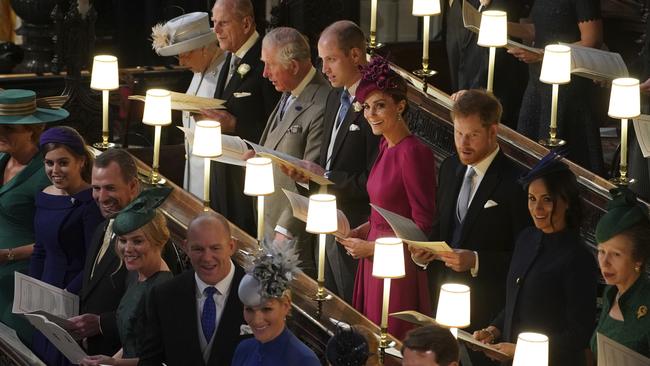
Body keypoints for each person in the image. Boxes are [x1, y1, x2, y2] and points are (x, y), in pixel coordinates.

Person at [410, 89, 530, 366]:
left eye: (472, 135)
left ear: (493, 131)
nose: (462, 143)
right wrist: (422, 254)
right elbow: (442, 228)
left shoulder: (516, 183)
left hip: (486, 313)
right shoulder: (450, 167)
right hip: (443, 302)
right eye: (457, 133)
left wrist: (476, 260)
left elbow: (523, 259)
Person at [338, 56, 436, 340]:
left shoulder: (413, 152)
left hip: (397, 270)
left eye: (380, 105)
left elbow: (421, 227)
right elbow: (383, 213)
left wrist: (372, 250)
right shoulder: (385, 145)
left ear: (400, 106)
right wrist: (363, 230)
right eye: (367, 107)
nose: (371, 114)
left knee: (389, 343)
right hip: (372, 260)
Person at [283, 20, 378, 303]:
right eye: (321, 60)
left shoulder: (376, 103)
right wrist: (309, 176)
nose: (324, 70)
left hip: (356, 228)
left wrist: (325, 175)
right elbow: (327, 159)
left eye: (331, 60)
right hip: (326, 220)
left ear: (356, 56)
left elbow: (373, 179)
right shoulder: (335, 96)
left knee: (351, 308)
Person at [472, 152, 598, 365]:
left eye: (547, 200)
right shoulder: (526, 238)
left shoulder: (579, 258)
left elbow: (578, 335)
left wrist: (521, 350)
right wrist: (493, 330)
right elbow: (515, 302)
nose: (537, 209)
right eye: (532, 199)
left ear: (566, 201)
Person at [69, 149, 182, 356]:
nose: (101, 197)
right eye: (96, 188)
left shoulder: (152, 240)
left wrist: (102, 324)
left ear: (133, 186)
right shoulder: (102, 227)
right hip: (93, 352)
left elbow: (152, 311)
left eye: (110, 188)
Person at [253, 26, 329, 277]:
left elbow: (309, 178)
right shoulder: (289, 93)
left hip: (292, 235)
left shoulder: (321, 102)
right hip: (269, 222)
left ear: (294, 67)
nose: (264, 73)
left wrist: (285, 229)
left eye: (270, 65)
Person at [203, 0, 280, 235]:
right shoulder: (230, 57)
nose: (216, 30)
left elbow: (278, 126)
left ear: (246, 23)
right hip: (223, 172)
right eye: (214, 22)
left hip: (248, 181)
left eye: (223, 23)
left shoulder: (264, 61)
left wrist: (236, 124)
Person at [29, 126, 104, 365]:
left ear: (81, 161)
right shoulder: (45, 195)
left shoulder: (90, 203)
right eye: (49, 163)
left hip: (74, 293)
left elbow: (93, 263)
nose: (54, 170)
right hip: (46, 290)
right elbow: (40, 250)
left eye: (63, 162)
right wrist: (32, 291)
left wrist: (62, 298)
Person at [0, 89, 68, 343]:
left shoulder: (47, 172)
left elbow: (55, 240)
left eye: (8, 128)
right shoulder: (3, 157)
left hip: (22, 274)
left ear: (32, 129)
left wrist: (8, 255)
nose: (0, 132)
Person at [138, 212, 248, 366]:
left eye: (215, 248)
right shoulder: (165, 295)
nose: (207, 258)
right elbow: (149, 362)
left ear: (231, 247)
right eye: (198, 249)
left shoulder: (257, 293)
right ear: (186, 248)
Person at [507, 0, 604, 174]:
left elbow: (592, 40)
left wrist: (542, 55)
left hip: (567, 86)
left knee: (559, 162)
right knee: (527, 150)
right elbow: (539, 31)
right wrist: (501, 26)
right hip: (538, 80)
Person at [80, 187, 174, 366]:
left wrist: (113, 364)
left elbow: (157, 360)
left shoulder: (163, 290)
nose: (127, 249)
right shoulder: (136, 275)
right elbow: (132, 339)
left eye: (137, 241)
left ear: (159, 241)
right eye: (122, 240)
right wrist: (108, 361)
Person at [152, 12, 225, 200]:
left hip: (216, 174)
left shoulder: (226, 72)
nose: (182, 63)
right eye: (178, 57)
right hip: (193, 170)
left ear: (204, 48)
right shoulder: (198, 71)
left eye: (185, 55)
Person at [232, 239, 320, 365]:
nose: (257, 320)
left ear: (286, 305)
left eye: (266, 309)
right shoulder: (243, 350)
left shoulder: (304, 360)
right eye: (249, 309)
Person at [589, 188, 650, 359]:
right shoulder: (611, 292)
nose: (605, 262)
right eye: (601, 251)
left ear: (638, 258)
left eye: (616, 254)